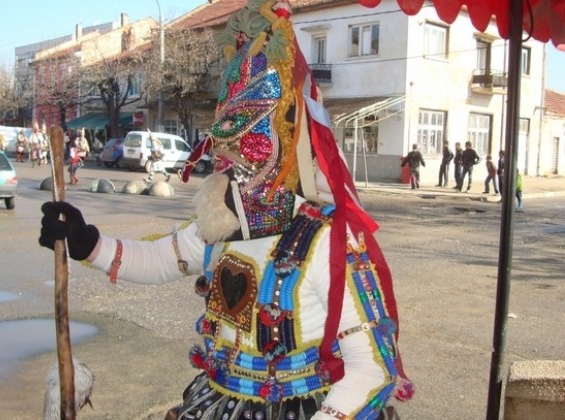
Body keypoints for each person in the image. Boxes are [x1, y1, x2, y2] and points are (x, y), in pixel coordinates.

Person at [39, 2, 413, 419]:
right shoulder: (223, 225)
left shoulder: (326, 240)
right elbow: (164, 258)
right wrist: (87, 243)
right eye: (222, 143)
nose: (226, 157)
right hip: (217, 402)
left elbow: (371, 368)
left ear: (284, 141)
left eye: (242, 140)